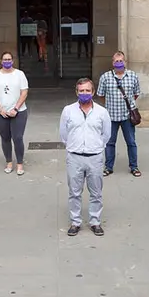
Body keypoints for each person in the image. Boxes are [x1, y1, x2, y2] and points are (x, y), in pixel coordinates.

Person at [59, 78, 112, 237]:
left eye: (87, 91)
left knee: (96, 192)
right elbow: (63, 134)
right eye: (81, 91)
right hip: (74, 157)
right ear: (76, 92)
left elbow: (106, 134)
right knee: (74, 192)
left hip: (94, 157)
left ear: (93, 92)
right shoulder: (68, 111)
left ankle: (95, 221)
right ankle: (75, 222)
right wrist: (73, 146)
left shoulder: (102, 112)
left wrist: (96, 147)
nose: (84, 94)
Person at [97, 51, 142, 177]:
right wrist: (110, 105)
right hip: (111, 116)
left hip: (128, 116)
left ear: (125, 62)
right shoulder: (105, 77)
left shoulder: (133, 76)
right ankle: (108, 167)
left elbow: (136, 94)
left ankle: (134, 167)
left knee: (131, 142)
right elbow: (101, 95)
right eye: (116, 61)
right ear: (112, 63)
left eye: (121, 60)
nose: (119, 63)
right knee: (109, 143)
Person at [0, 51, 29, 176]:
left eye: (9, 59)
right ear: (1, 61)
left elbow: (24, 92)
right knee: (5, 138)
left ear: (13, 60)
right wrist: (0, 109)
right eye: (5, 59)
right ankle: (9, 162)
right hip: (0, 113)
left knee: (17, 138)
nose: (7, 61)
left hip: (19, 112)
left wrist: (15, 109)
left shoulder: (19, 74)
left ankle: (20, 163)